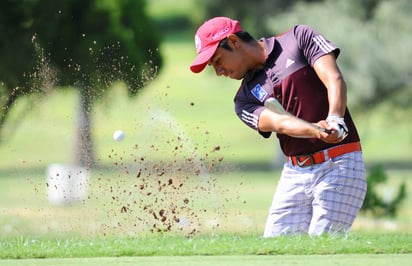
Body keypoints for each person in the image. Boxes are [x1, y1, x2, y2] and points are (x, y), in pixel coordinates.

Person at [189, 16, 367, 237]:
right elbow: (280, 123)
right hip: (295, 173)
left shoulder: (298, 38)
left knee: (321, 244)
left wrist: (335, 119)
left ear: (234, 42)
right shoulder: (244, 100)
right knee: (275, 247)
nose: (218, 71)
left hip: (339, 163)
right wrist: (316, 130)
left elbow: (333, 78)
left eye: (217, 60)